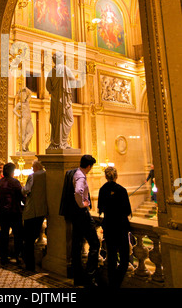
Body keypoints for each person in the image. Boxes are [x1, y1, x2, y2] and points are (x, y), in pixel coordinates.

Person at [98, 166, 132, 288]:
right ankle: (117, 283)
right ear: (116, 176)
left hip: (109, 227)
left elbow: (100, 209)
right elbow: (127, 210)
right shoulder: (122, 190)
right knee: (124, 259)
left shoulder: (102, 190)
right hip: (121, 227)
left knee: (111, 257)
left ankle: (112, 283)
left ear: (105, 176)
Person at [71, 154, 100, 288]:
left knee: (77, 245)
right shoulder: (81, 176)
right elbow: (78, 192)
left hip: (75, 215)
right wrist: (83, 204)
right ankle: (90, 276)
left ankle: (78, 276)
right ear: (88, 166)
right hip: (82, 214)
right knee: (94, 244)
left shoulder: (75, 173)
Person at [46, 51, 76, 149]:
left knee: (56, 121)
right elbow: (73, 82)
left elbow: (48, 87)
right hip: (64, 100)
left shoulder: (51, 72)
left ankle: (57, 142)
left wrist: (55, 91)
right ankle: (62, 142)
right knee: (69, 119)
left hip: (55, 100)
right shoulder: (65, 69)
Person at [0, 162, 24, 266]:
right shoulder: (15, 182)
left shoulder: (1, 181)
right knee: (18, 234)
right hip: (13, 211)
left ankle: (3, 256)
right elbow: (20, 196)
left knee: (4, 233)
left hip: (1, 210)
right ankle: (17, 256)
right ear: (12, 171)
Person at [22, 160, 48, 271]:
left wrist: (21, 188)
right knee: (34, 236)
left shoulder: (32, 176)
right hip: (42, 210)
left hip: (32, 210)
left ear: (37, 167)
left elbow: (26, 190)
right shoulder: (47, 175)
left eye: (33, 167)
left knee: (28, 240)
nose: (32, 169)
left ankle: (29, 265)